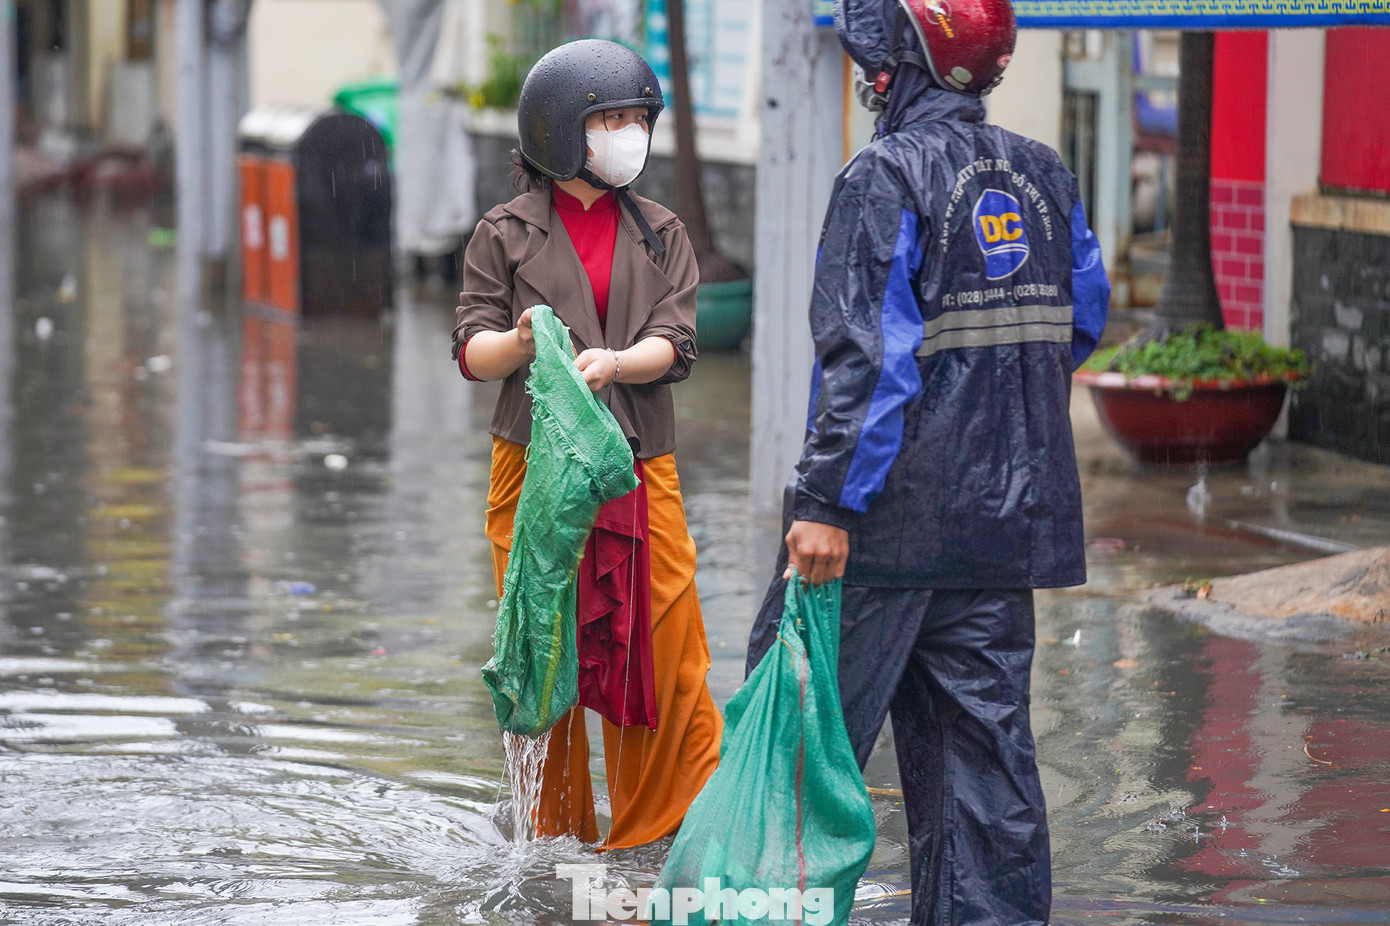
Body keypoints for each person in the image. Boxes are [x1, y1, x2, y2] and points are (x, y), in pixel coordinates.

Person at [745, 0, 1110, 923]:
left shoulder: (885, 174)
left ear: (904, 65)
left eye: (880, 58)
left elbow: (867, 363)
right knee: (987, 788)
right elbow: (1084, 316)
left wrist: (826, 501)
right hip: (1000, 534)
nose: (869, 73)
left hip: (880, 537)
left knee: (782, 755)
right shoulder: (1044, 174)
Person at [452, 39, 722, 849]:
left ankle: (664, 834)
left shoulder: (662, 231)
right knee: (544, 649)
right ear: (561, 131)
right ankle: (548, 841)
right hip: (532, 466)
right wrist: (529, 341)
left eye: (637, 118)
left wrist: (612, 365)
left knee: (664, 655)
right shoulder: (502, 232)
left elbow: (675, 346)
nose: (628, 133)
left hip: (639, 462)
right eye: (611, 119)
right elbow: (470, 350)